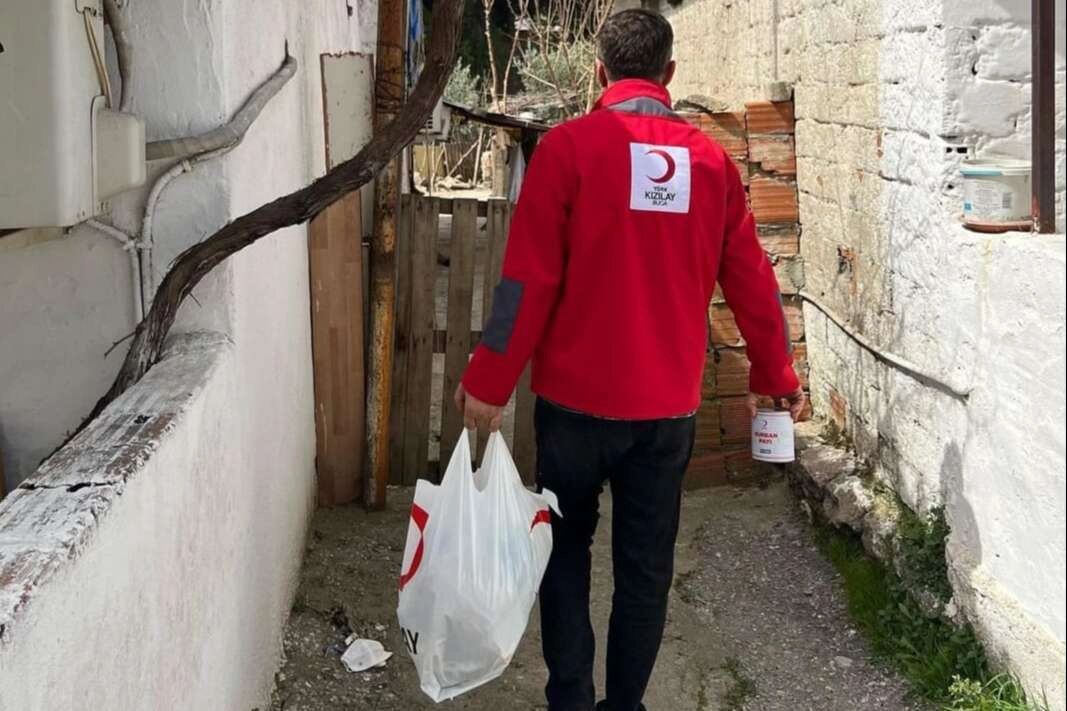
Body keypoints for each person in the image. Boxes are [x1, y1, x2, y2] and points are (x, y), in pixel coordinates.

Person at [454, 8, 805, 711]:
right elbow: (751, 280)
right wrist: (774, 375)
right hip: (666, 411)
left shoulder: (567, 150)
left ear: (599, 72)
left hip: (572, 408)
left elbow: (525, 281)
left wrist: (488, 381)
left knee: (564, 552)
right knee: (645, 569)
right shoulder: (711, 162)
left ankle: (570, 699)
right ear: (669, 73)